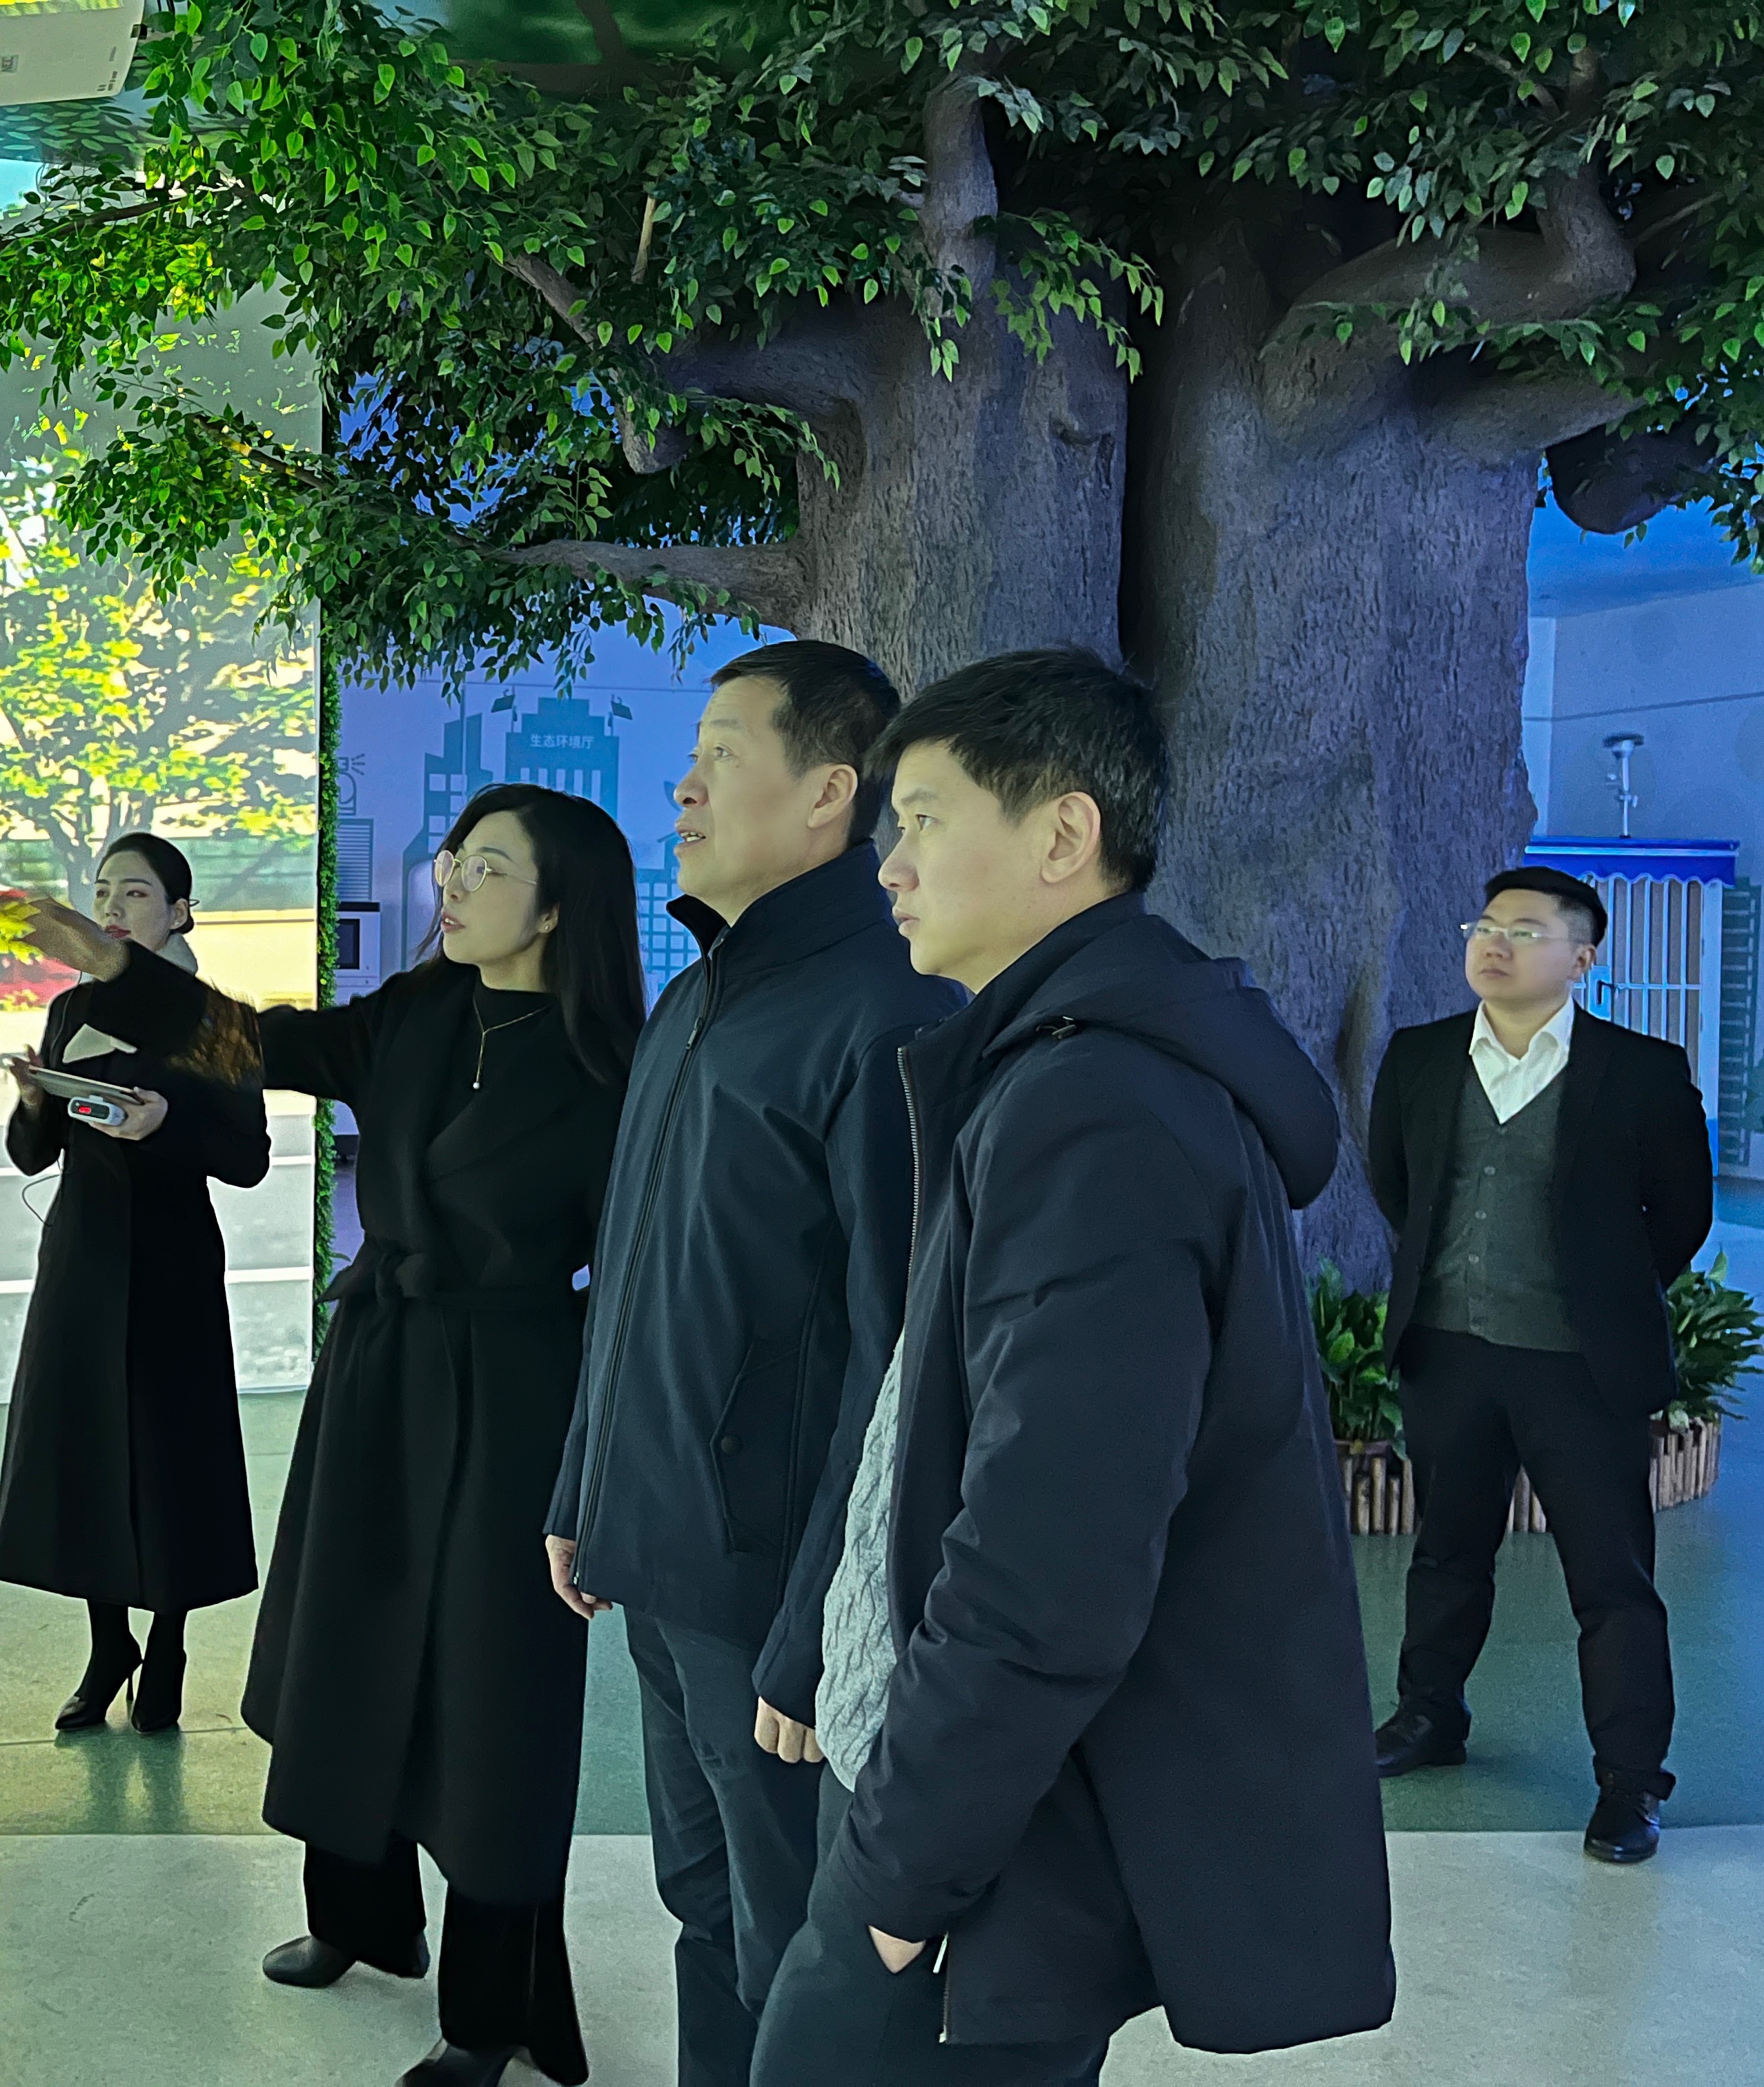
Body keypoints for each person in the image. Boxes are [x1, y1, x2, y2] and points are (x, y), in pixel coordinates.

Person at [752, 649, 1394, 2086]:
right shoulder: (1049, 1070)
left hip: (981, 1852)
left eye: (923, 820)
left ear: (1062, 835)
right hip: (963, 1802)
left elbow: (1051, 1558)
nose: (889, 864)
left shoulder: (1093, 1109)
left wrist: (898, 1888)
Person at [21, 785, 644, 2087]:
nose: (451, 883)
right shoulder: (415, 1012)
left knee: (494, 1696)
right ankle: (360, 1920)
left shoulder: (613, 1066)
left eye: (488, 868)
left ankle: (493, 2009)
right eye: (455, 860)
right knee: (345, 1649)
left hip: (518, 1386)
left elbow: (639, 1277)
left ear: (559, 906)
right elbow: (249, 1043)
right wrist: (117, 971)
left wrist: (604, 1470)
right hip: (381, 1369)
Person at [541, 640, 960, 2087]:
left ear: (831, 792)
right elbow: (632, 1273)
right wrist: (581, 1485)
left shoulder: (889, 1011)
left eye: (723, 754)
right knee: (704, 1907)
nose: (687, 786)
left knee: (798, 1945)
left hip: (772, 1588)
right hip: (657, 1557)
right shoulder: (700, 996)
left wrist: (815, 1621)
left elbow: (896, 1357)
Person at [1365, 866, 1712, 1864]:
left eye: (1524, 930)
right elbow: (1398, 1183)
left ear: (1582, 957)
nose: (1495, 942)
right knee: (1446, 1552)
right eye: (1484, 925)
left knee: (1611, 1579)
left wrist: (1599, 1293)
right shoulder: (1420, 1056)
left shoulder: (1643, 1071)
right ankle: (1431, 1715)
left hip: (1580, 1368)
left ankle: (1631, 1783)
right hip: (1450, 1352)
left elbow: (1681, 1215)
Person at [0, 834, 271, 1736]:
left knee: (170, 1453)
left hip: (172, 1260)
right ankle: (109, 1646)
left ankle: (170, 1644)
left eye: (137, 893)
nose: (113, 907)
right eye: (104, 891)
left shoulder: (217, 1021)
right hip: (82, 1257)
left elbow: (248, 1159)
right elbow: (33, 1155)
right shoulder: (72, 1010)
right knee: (86, 1454)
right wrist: (35, 1098)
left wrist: (164, 1128)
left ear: (181, 913)